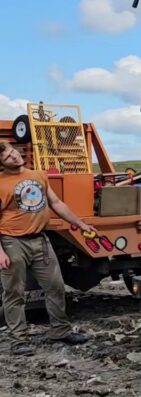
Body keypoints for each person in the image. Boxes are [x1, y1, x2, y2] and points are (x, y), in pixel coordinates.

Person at [0, 141, 92, 355]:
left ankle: (60, 331)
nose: (14, 157)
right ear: (1, 164)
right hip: (13, 242)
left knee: (56, 287)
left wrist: (79, 223)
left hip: (40, 239)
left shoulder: (39, 175)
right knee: (14, 293)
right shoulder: (1, 183)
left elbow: (56, 203)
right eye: (7, 157)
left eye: (14, 152)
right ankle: (18, 341)